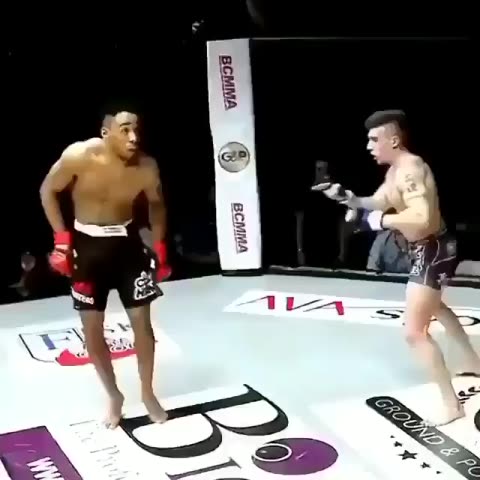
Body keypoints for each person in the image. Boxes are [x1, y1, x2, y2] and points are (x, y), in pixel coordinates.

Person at [315, 109, 480, 426]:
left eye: (374, 139)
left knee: (414, 333)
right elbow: (377, 202)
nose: (368, 146)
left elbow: (422, 218)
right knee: (436, 307)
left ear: (393, 140)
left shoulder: (410, 170)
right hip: (429, 248)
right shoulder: (395, 171)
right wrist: (348, 198)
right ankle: (474, 362)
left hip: (433, 249)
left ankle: (452, 405)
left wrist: (381, 222)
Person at [40, 104, 172, 429]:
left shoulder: (146, 167)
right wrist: (61, 240)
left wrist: (159, 246)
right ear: (106, 133)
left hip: (127, 246)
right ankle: (114, 395)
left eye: (136, 130)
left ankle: (147, 393)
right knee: (92, 329)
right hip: (87, 249)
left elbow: (156, 204)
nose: (134, 137)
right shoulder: (80, 155)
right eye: (125, 130)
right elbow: (48, 190)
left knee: (142, 325)